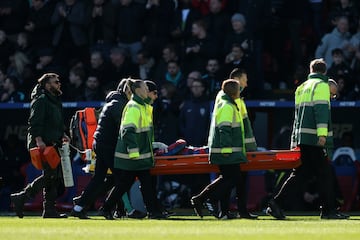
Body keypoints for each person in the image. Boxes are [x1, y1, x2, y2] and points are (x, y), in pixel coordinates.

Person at [266, 58, 350, 220]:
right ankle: (328, 211)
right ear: (324, 72)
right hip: (314, 138)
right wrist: (322, 135)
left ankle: (275, 203)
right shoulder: (321, 86)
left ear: (311, 70)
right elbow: (321, 111)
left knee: (302, 173)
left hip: (302, 137)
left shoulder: (302, 87)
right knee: (324, 173)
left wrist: (294, 140)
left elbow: (296, 117)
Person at [71, 78, 145, 219]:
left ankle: (80, 205)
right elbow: (123, 129)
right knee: (122, 179)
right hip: (108, 146)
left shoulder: (114, 102)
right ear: (129, 90)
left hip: (101, 144)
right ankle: (105, 208)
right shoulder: (120, 105)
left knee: (102, 179)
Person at [100, 79, 167, 219]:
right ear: (138, 90)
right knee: (136, 183)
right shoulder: (134, 107)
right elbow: (128, 131)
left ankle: (106, 208)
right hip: (133, 155)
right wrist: (134, 151)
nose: (147, 91)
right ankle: (153, 212)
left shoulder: (143, 107)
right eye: (145, 88)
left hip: (139, 155)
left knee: (129, 184)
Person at [10, 73, 68, 218]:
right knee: (50, 175)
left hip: (53, 141)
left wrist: (63, 134)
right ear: (47, 85)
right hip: (43, 143)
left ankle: (48, 209)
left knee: (52, 177)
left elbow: (57, 122)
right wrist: (38, 140)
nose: (59, 84)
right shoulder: (41, 100)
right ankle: (22, 197)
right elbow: (35, 122)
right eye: (55, 82)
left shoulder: (54, 100)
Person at [191, 79, 247, 219]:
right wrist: (227, 149)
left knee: (227, 178)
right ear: (235, 92)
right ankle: (208, 199)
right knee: (233, 179)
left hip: (225, 151)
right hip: (226, 152)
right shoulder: (227, 106)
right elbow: (224, 129)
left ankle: (202, 199)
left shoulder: (226, 104)